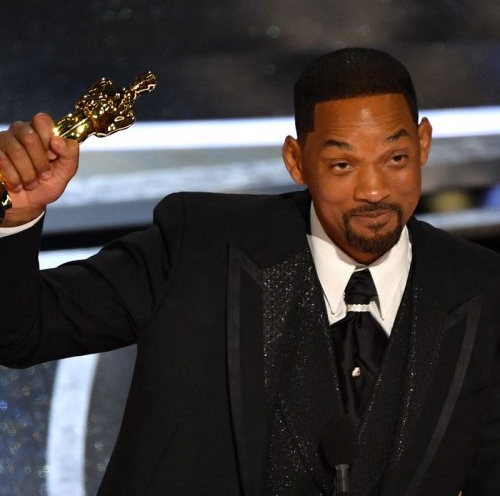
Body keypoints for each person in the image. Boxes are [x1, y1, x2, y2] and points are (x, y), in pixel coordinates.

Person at [0, 48, 498, 496]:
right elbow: (20, 332)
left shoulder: (483, 289)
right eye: (342, 165)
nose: (374, 190)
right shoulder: (198, 247)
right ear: (297, 161)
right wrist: (16, 218)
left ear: (424, 144)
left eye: (396, 158)